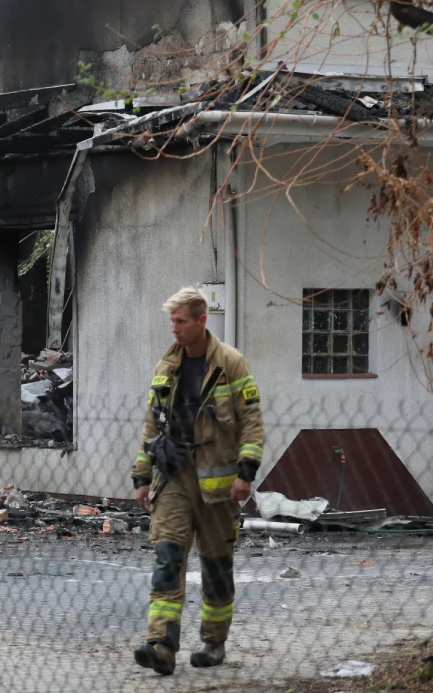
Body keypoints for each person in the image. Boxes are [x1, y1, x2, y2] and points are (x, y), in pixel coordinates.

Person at [131, 286, 264, 675]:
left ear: (202, 320)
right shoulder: (165, 367)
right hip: (173, 477)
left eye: (181, 321)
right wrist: (141, 476)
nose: (174, 328)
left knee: (216, 565)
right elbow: (151, 426)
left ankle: (213, 642)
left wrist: (246, 473)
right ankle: (161, 645)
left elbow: (251, 421)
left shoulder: (230, 364)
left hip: (219, 484)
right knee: (167, 558)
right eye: (171, 321)